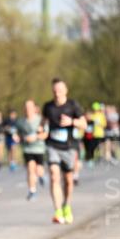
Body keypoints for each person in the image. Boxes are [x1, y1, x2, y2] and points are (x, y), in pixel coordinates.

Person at [42, 78, 86, 224]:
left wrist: (72, 122)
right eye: (54, 90)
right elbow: (43, 124)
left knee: (68, 180)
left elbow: (84, 124)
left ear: (66, 90)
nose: (57, 93)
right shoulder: (48, 107)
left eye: (60, 90)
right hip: (52, 146)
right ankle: (58, 211)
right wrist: (40, 130)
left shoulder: (73, 106)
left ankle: (66, 205)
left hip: (69, 147)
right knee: (54, 175)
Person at [17, 99, 47, 201]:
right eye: (26, 107)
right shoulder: (21, 121)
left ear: (34, 108)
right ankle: (32, 191)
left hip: (39, 148)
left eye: (30, 107)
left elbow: (45, 134)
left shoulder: (40, 120)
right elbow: (18, 134)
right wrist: (18, 137)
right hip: (27, 149)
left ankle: (41, 176)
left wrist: (36, 137)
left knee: (39, 170)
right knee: (30, 168)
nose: (28, 109)